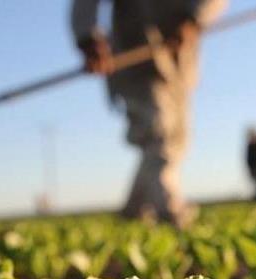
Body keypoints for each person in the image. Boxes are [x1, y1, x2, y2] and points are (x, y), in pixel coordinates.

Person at [71, 0, 227, 227]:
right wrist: (88, 38)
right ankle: (169, 209)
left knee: (177, 139)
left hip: (178, 59)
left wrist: (194, 20)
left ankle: (132, 211)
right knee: (159, 134)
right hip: (135, 54)